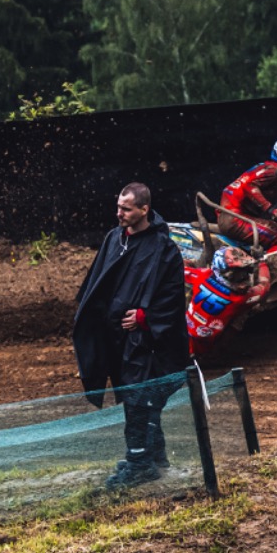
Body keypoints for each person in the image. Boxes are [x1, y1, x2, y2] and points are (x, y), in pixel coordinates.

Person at [72, 183, 189, 490]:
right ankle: (154, 459)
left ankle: (139, 464)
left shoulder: (163, 248)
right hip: (116, 339)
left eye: (126, 209)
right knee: (131, 395)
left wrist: (145, 317)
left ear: (144, 210)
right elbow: (97, 282)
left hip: (145, 342)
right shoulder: (114, 238)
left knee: (140, 399)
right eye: (118, 207)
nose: (119, 213)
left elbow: (174, 295)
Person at [185, 245, 270, 360]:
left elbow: (181, 269)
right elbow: (264, 286)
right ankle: (216, 355)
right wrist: (261, 261)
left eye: (245, 272)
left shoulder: (202, 275)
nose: (243, 278)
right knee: (246, 311)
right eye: (236, 274)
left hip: (182, 336)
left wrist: (188, 263)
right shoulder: (239, 298)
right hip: (204, 351)